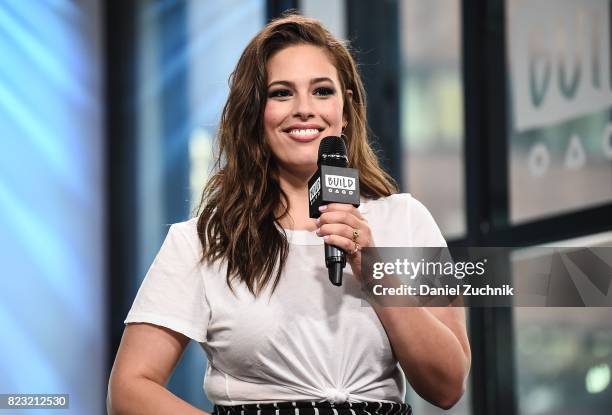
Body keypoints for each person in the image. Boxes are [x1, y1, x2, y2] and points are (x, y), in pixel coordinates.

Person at [107, 13, 471, 415]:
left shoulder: (404, 220)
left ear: (345, 109)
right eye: (281, 93)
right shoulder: (203, 240)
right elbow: (129, 389)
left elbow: (447, 385)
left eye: (321, 91)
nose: (304, 109)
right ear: (254, 114)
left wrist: (375, 269)